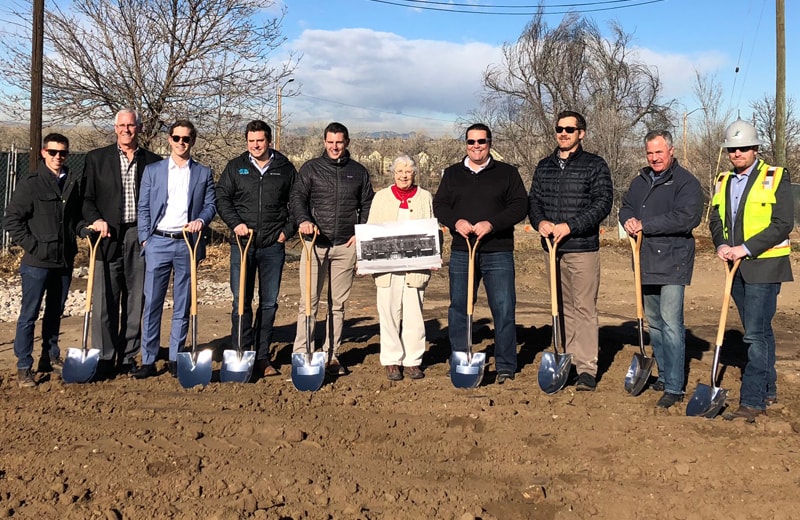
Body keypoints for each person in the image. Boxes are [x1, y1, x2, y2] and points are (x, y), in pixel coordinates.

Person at [710, 119, 793, 422]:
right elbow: (715, 219)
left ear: (756, 148)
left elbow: (783, 223)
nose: (737, 153)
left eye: (743, 148)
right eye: (732, 149)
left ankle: (753, 400)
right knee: (758, 331)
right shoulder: (722, 181)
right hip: (736, 269)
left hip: (765, 267)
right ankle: (769, 387)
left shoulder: (775, 177)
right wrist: (721, 245)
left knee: (754, 336)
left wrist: (744, 248)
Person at [433, 123, 528, 384]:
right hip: (464, 251)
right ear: (465, 144)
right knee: (460, 308)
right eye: (471, 142)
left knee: (504, 308)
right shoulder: (452, 174)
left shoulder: (507, 173)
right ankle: (461, 357)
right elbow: (439, 204)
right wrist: (456, 222)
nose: (476, 146)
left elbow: (520, 205)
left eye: (481, 142)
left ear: (490, 143)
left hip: (497, 251)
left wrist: (492, 224)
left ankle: (506, 364)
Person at [528, 110, 613, 391]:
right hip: (552, 248)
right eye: (559, 129)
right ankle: (567, 359)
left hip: (582, 248)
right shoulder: (544, 166)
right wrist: (539, 222)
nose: (563, 133)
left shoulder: (594, 165)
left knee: (584, 308)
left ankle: (587, 366)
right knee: (560, 307)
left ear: (581, 133)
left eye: (569, 129)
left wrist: (571, 226)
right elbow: (535, 201)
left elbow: (602, 203)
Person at [619, 130, 703, 408]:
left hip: (672, 260)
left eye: (659, 152)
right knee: (654, 322)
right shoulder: (640, 180)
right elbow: (626, 206)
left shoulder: (685, 182)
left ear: (671, 151)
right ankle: (665, 376)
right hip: (645, 261)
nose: (654, 158)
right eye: (650, 153)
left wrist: (646, 224)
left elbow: (687, 217)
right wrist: (629, 219)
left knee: (671, 324)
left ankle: (676, 387)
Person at [82, 109, 162, 379]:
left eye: (132, 125)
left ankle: (128, 355)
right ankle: (105, 356)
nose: (127, 129)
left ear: (139, 128)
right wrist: (96, 219)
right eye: (122, 125)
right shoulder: (97, 159)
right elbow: (87, 198)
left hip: (139, 234)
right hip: (108, 235)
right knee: (105, 298)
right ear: (115, 128)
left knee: (136, 297)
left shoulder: (153, 162)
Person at [133, 120, 216, 379]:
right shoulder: (153, 170)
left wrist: (201, 220)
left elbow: (211, 204)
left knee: (183, 303)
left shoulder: (203, 172)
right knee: (152, 302)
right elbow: (143, 206)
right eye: (177, 138)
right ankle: (148, 359)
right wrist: (146, 239)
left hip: (186, 244)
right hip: (158, 241)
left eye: (187, 139)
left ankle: (175, 358)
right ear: (169, 139)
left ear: (193, 141)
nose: (182, 143)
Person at [290, 122, 374, 375]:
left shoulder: (358, 172)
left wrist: (361, 232)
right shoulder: (311, 168)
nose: (334, 146)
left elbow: (368, 203)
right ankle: (302, 353)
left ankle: (331, 355)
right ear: (324, 142)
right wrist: (303, 220)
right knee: (309, 302)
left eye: (339, 142)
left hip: (345, 247)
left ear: (347, 142)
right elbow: (297, 198)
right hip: (314, 245)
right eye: (330, 142)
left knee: (337, 304)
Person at [216, 120, 297, 378]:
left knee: (269, 303)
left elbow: (297, 202)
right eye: (251, 141)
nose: (255, 145)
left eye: (260, 141)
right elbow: (221, 197)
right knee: (241, 300)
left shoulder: (284, 168)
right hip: (242, 245)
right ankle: (242, 352)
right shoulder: (235, 167)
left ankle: (262, 357)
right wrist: (235, 223)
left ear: (269, 141)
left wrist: (286, 232)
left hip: (273, 246)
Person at [3, 134, 83, 387]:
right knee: (29, 314)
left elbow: (75, 218)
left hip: (63, 260)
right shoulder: (31, 183)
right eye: (53, 152)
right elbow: (12, 219)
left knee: (55, 312)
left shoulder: (72, 182)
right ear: (43, 153)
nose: (58, 157)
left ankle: (50, 356)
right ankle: (24, 365)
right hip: (37, 262)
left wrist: (84, 231)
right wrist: (33, 245)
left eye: (63, 153)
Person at [367, 155, 434, 381]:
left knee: (414, 314)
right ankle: (392, 360)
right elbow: (371, 230)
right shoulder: (381, 198)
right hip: (387, 268)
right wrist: (367, 261)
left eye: (408, 171)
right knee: (388, 312)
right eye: (399, 172)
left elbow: (432, 228)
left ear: (414, 173)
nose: (404, 175)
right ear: (393, 173)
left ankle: (413, 361)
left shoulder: (425, 197)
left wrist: (433, 257)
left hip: (415, 268)